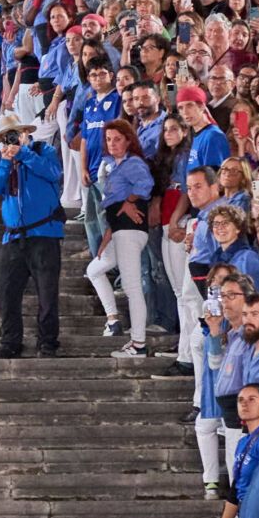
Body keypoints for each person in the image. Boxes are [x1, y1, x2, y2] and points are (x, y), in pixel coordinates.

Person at [0, 111, 66, 359]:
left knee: (47, 293)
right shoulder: (1, 160)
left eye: (14, 134)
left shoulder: (43, 151)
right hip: (12, 238)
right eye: (5, 137)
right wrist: (4, 162)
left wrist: (24, 153)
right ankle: (11, 340)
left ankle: (48, 341)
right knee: (7, 291)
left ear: (25, 133)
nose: (9, 140)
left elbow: (53, 173)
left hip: (44, 234)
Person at [87, 123, 156, 359]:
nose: (112, 143)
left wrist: (130, 201)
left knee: (132, 286)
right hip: (117, 228)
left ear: (128, 140)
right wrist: (109, 228)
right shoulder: (112, 166)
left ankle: (138, 343)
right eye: (109, 139)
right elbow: (112, 203)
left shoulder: (133, 163)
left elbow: (145, 186)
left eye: (118, 139)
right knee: (94, 269)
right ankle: (113, 318)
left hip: (130, 229)